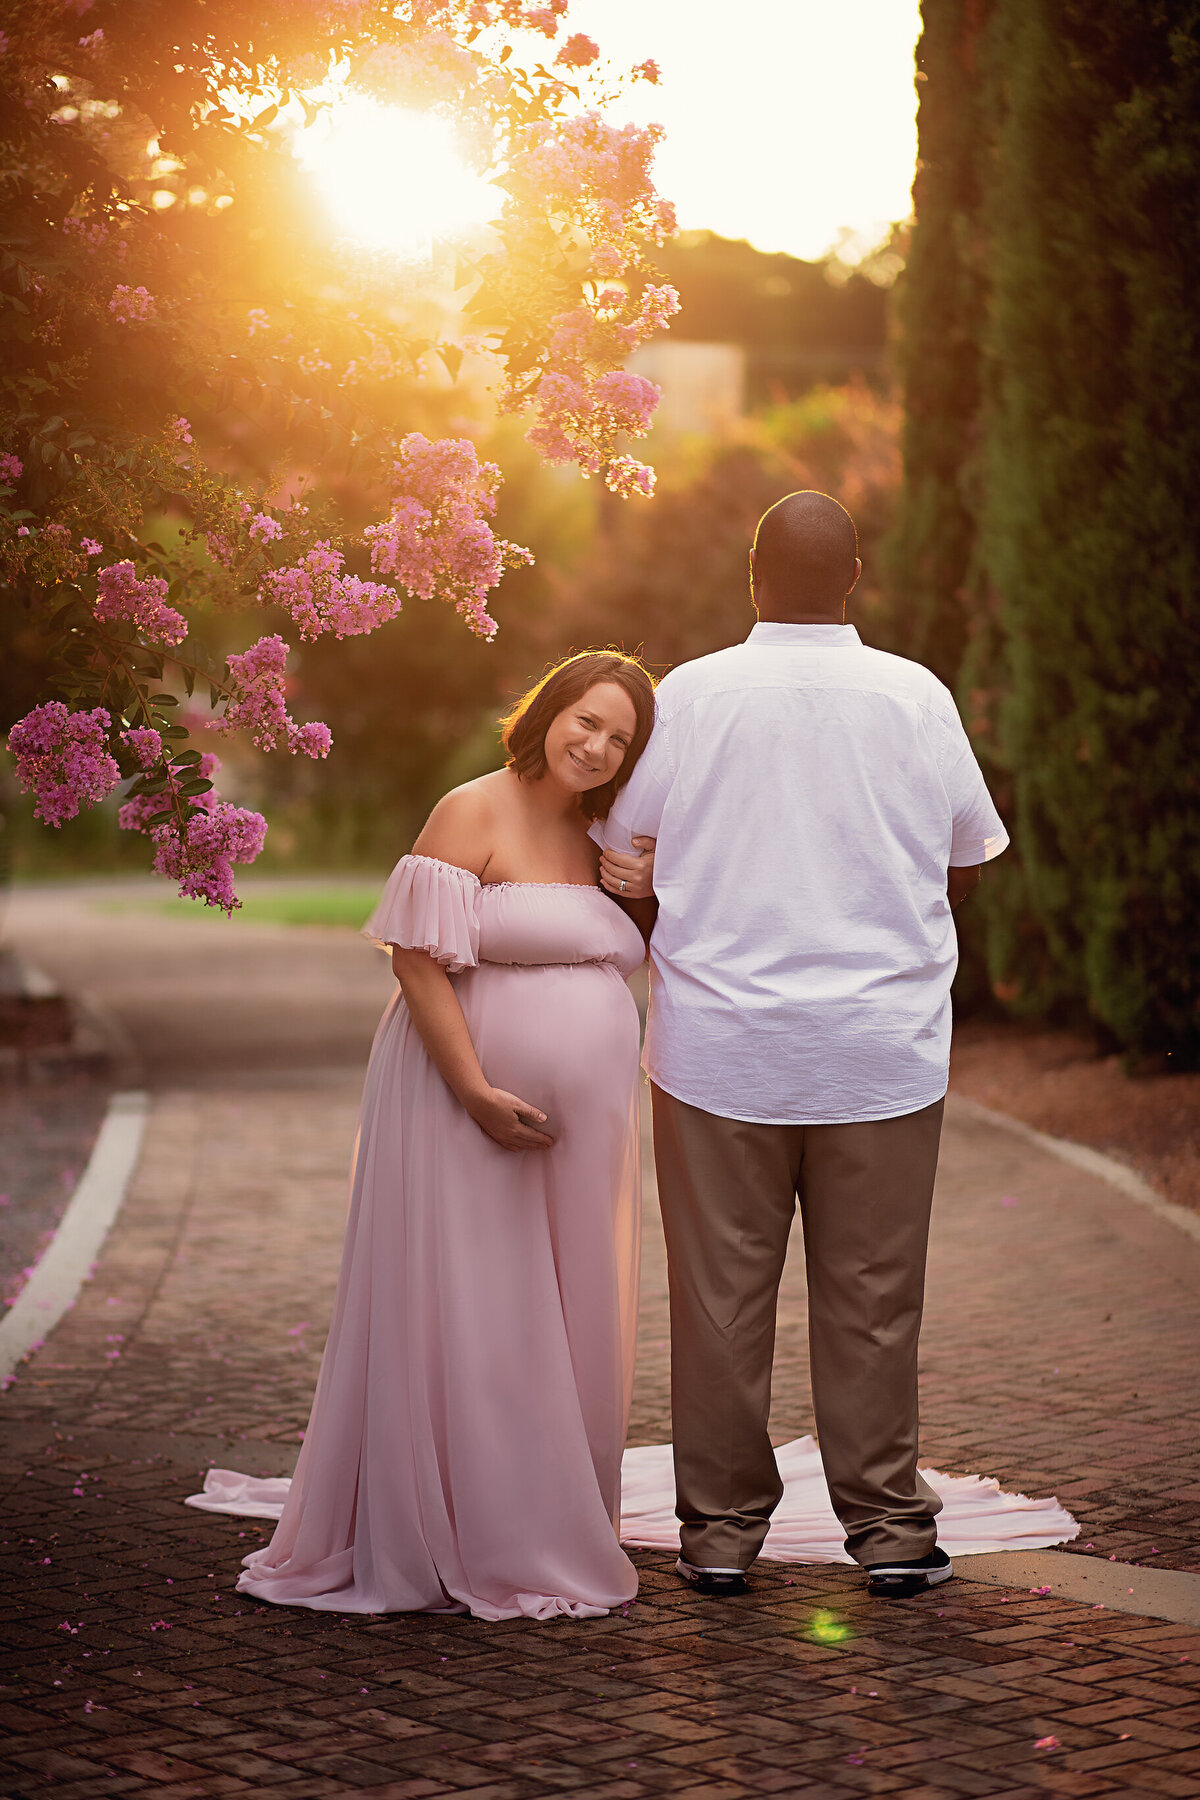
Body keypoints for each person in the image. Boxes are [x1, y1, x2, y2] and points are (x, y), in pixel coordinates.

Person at [590, 490, 1010, 1601]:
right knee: (873, 1296)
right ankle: (889, 1532)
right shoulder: (915, 696)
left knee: (720, 1296)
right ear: (856, 576)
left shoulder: (692, 696)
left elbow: (621, 847)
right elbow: (971, 851)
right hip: (880, 1045)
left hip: (717, 1046)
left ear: (751, 575)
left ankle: (721, 1535)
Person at [209, 651, 658, 1621]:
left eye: (620, 738)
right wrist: (476, 1091)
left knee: (569, 1303)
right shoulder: (473, 808)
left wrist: (650, 888)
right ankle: (470, 1516)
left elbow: (655, 949)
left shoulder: (604, 839)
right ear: (547, 713)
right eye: (587, 720)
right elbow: (417, 962)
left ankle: (549, 1500)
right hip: (461, 1101)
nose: (598, 745)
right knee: (477, 1302)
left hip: (587, 1133)